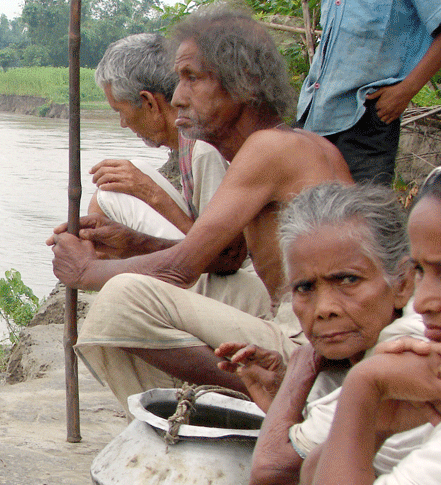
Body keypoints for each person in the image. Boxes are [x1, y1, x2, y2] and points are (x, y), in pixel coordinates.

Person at [49, 5, 352, 410]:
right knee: (215, 285)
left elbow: (181, 267)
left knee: (120, 301)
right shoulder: (291, 145)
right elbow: (226, 259)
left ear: (245, 83)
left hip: (312, 342)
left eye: (192, 78)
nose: (177, 97)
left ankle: (280, 398)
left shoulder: (270, 149)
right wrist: (132, 241)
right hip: (300, 319)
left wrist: (87, 271)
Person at [214, 182, 424, 485]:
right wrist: (283, 392)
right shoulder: (352, 357)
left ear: (402, 284)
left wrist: (301, 365)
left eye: (349, 280)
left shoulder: (406, 349)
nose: (324, 309)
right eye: (305, 287)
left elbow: (270, 473)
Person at [301, 167, 441, 485]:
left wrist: (364, 389)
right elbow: (312, 483)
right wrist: (376, 422)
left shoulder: (402, 348)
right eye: (422, 271)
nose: (424, 300)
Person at [88, 32, 270, 319]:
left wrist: (153, 194)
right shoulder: (189, 139)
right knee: (114, 184)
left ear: (148, 102)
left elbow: (225, 256)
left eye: (120, 112)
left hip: (242, 288)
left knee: (114, 191)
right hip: (227, 268)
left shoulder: (204, 149)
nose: (123, 124)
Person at [295, 0, 441, 185]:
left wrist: (406, 90)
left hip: (368, 117)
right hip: (313, 114)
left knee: (359, 210)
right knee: (303, 208)